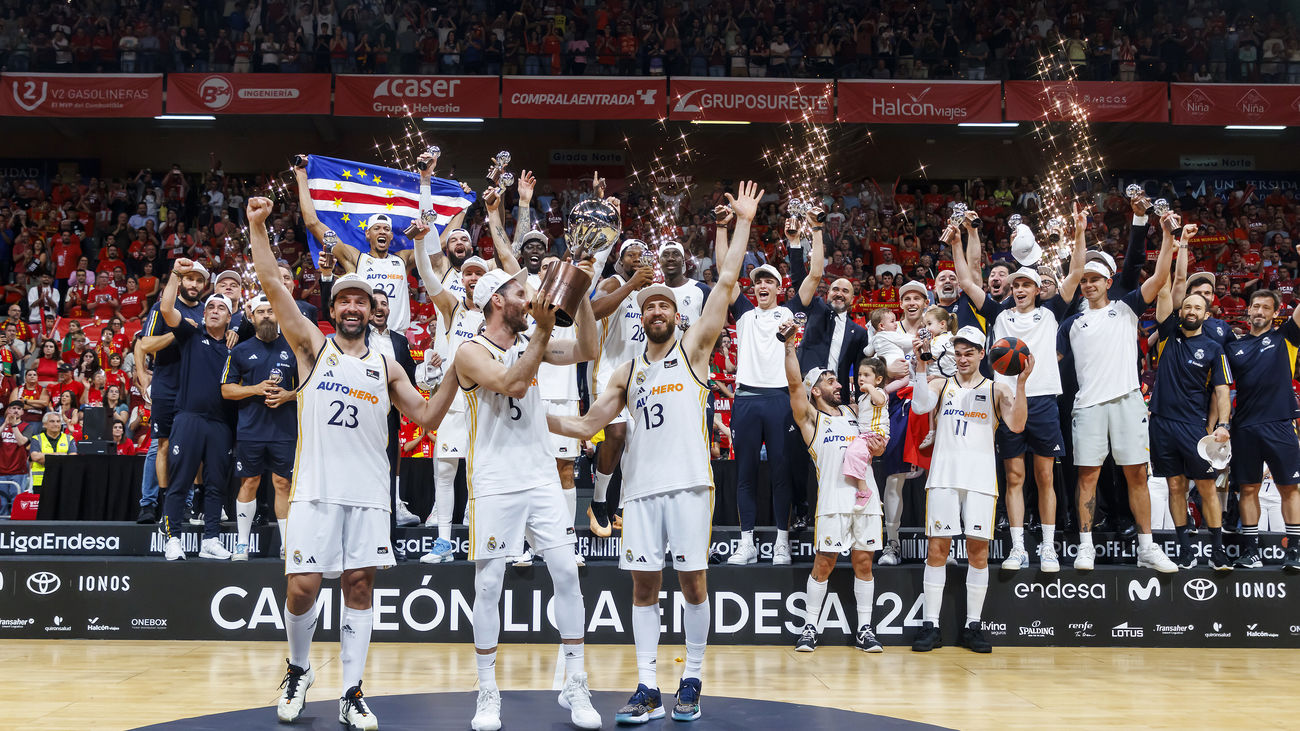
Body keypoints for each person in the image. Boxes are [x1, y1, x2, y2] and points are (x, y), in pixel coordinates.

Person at [547, 180, 761, 724]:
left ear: (677, 314)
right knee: (644, 586)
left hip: (689, 484)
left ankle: (691, 677)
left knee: (693, 583)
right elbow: (590, 422)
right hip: (640, 492)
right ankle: (647, 685)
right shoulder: (627, 369)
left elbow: (729, 281)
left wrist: (742, 225)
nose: (657, 310)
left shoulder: (694, 353)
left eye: (665, 303)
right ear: (642, 318)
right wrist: (534, 420)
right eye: (649, 306)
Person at [247, 196, 457, 729]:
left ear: (373, 309)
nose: (353, 308)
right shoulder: (313, 348)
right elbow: (273, 285)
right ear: (334, 308)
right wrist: (257, 227)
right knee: (301, 588)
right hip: (315, 490)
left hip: (367, 494)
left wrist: (459, 370)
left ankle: (351, 690)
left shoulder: (388, 364)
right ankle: (299, 669)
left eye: (362, 301)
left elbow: (428, 418)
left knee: (360, 587)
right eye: (345, 301)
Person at [455, 260, 600, 731]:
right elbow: (514, 382)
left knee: (567, 574)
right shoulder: (470, 352)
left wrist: (580, 293)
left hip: (539, 476)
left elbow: (588, 347)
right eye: (521, 293)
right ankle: (486, 691)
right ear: (498, 300)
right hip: (495, 480)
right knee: (489, 585)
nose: (531, 300)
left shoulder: (528, 340)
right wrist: (541, 328)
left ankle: (576, 682)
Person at [952, 211, 1084, 572]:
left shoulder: (1053, 311)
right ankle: (1017, 548)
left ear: (1037, 289)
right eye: (1016, 286)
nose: (1021, 290)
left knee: (1044, 477)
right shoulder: (998, 314)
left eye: (1027, 285)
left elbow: (1074, 274)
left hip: (1042, 401)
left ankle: (1048, 547)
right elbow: (965, 279)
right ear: (1010, 290)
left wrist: (1080, 231)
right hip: (1007, 402)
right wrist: (955, 243)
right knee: (1013, 477)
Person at [1060, 212, 1177, 573]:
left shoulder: (1126, 308)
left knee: (1137, 475)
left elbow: (1159, 277)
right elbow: (1053, 364)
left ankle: (1146, 546)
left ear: (1109, 281)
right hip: (1088, 406)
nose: (1089, 284)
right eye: (1085, 279)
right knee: (1087, 478)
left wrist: (1169, 235)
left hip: (1128, 400)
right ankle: (1086, 547)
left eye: (1096, 279)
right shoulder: (1070, 323)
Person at [909, 326, 1031, 653]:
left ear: (981, 354)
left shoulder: (997, 389)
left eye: (969, 353)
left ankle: (972, 626)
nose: (962, 359)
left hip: (980, 480)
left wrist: (1021, 383)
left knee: (978, 553)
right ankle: (930, 626)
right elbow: (920, 406)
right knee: (938, 550)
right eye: (958, 353)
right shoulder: (940, 382)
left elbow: (1017, 425)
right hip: (944, 477)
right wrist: (922, 365)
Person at [787, 341, 889, 653]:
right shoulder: (810, 420)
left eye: (837, 379)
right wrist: (789, 348)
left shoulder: (855, 410)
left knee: (864, 563)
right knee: (823, 563)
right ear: (814, 390)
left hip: (866, 499)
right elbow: (794, 384)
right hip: (832, 501)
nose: (837, 384)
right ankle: (809, 627)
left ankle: (865, 629)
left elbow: (880, 438)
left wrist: (879, 445)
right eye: (830, 380)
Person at [293, 153, 464, 334]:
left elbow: (438, 244)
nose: (382, 231)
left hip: (397, 338)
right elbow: (313, 223)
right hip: (364, 337)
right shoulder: (355, 259)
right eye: (377, 228)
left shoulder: (402, 259)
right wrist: (302, 177)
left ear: (391, 235)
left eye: (386, 229)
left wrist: (463, 207)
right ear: (368, 234)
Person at [1150, 258, 1233, 570]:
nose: (1191, 311)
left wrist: (1222, 424)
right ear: (1180, 311)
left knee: (1207, 486)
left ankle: (1217, 550)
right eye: (1187, 306)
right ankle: (1186, 549)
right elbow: (1175, 282)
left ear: (1206, 314)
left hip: (1194, 426)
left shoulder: (1214, 348)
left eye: (1198, 308)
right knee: (1175, 486)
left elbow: (1222, 390)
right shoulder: (1168, 333)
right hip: (1161, 423)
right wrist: (1178, 243)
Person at [157, 261, 237, 562]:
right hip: (188, 418)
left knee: (216, 485)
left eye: (220, 308)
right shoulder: (191, 334)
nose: (213, 310)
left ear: (230, 317)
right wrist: (175, 275)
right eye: (210, 306)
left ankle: (211, 540)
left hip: (220, 424)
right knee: (180, 482)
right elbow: (167, 310)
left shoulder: (235, 348)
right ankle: (173, 538)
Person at [728, 244, 799, 563]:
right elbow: (725, 272)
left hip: (780, 397)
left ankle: (782, 541)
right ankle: (747, 543)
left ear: (779, 287)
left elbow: (810, 279)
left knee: (781, 472)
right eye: (758, 281)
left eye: (768, 280)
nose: (762, 285)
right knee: (745, 472)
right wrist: (723, 231)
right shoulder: (744, 313)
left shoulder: (788, 313)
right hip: (745, 398)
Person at [1224, 288, 1300, 571]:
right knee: (1248, 489)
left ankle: (1294, 551)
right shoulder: (1233, 347)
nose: (1258, 312)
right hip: (1244, 426)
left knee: (1289, 487)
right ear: (1249, 310)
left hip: (1279, 423)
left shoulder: (1287, 338)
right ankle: (1251, 552)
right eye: (1255, 306)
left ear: (1276, 312)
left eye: (1265, 308)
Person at [222, 295, 298, 561]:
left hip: (285, 429)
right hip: (251, 429)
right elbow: (226, 390)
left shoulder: (293, 346)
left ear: (278, 315)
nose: (266, 315)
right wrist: (254, 389)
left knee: (283, 484)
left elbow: (308, 385)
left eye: (270, 311)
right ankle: (242, 543)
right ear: (251, 317)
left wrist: (288, 395)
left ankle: (287, 544)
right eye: (261, 312)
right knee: (250, 482)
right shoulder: (240, 350)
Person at [587, 239, 654, 537]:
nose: (637, 258)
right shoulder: (613, 283)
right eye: (631, 254)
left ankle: (624, 510)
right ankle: (599, 501)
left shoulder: (650, 294)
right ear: (620, 260)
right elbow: (593, 310)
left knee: (637, 445)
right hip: (607, 373)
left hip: (640, 376)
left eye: (642, 254)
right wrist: (631, 285)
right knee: (617, 434)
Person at [135, 262, 206, 524]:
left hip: (195, 388)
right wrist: (177, 332)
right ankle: (155, 504)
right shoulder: (161, 308)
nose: (194, 285)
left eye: (199, 281)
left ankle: (184, 504)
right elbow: (147, 344)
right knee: (160, 445)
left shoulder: (206, 311)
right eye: (190, 279)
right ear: (181, 282)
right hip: (167, 384)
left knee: (191, 448)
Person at [30, 411, 76, 491]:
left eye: (58, 421)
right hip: (41, 482)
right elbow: (35, 457)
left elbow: (72, 459)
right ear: (44, 424)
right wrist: (60, 455)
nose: (56, 424)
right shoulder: (36, 438)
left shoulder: (69, 439)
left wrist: (44, 457)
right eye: (52, 421)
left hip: (63, 481)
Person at [0, 402, 31, 517]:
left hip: (18, 470)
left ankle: (15, 526)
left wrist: (13, 426)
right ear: (8, 410)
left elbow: (22, 442)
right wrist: (5, 424)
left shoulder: (27, 426)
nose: (16, 411)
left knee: (16, 501)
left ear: (23, 412)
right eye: (13, 408)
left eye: (19, 409)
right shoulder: (1, 424)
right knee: (1, 503)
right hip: (1, 469)